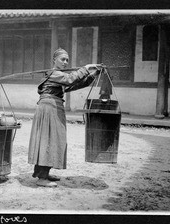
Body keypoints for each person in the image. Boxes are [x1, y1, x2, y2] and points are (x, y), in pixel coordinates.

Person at [28, 48, 104, 187]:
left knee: (53, 140)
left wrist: (94, 74)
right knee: (48, 140)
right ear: (54, 60)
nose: (65, 62)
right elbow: (70, 79)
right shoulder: (53, 73)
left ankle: (43, 173)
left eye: (67, 60)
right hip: (49, 108)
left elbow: (75, 84)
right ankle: (42, 178)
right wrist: (85, 68)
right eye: (62, 59)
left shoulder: (58, 77)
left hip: (53, 107)